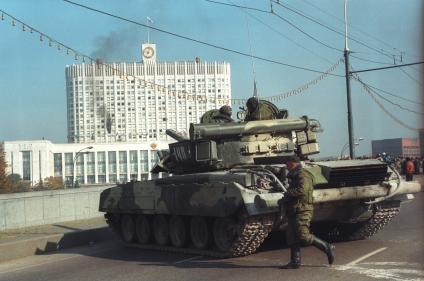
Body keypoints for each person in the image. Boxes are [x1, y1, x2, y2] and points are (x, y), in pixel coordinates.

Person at [280, 155, 335, 269]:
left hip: (303, 208)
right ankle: (295, 262)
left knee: (303, 235)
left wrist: (287, 194)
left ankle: (326, 246)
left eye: (287, 163)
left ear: (292, 163)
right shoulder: (295, 175)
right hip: (294, 208)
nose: (286, 166)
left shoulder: (302, 175)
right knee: (292, 235)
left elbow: (302, 190)